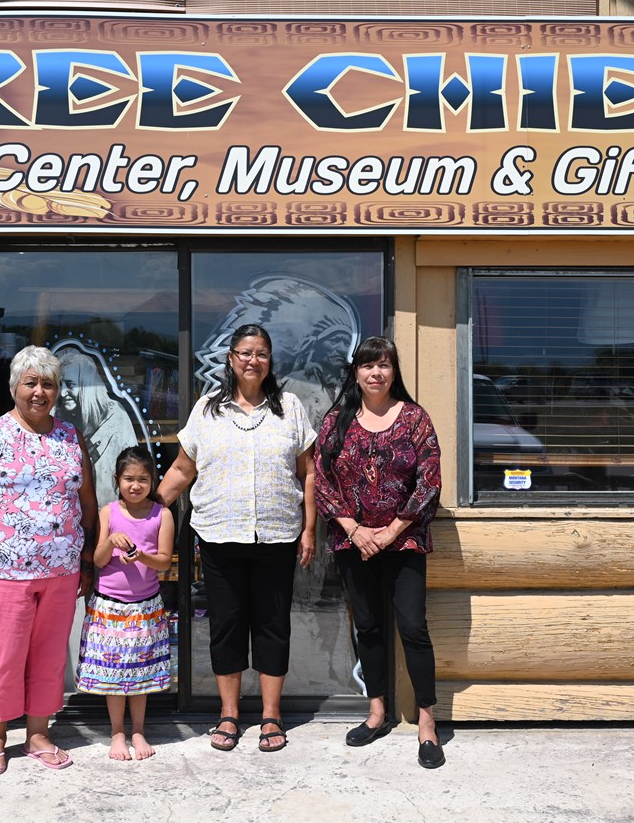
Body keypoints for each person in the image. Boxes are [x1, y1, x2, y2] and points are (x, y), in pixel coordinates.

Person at [157, 323, 316, 753]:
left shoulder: (291, 407)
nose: (252, 360)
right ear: (231, 359)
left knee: (272, 626)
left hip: (277, 537)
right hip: (219, 536)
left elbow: (308, 472)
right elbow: (182, 470)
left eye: (261, 353)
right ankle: (228, 714)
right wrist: (144, 513)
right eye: (245, 352)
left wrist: (310, 528)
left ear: (269, 361)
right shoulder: (208, 409)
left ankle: (270, 715)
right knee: (226, 628)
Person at [0, 345, 98, 776]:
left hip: (61, 571)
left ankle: (38, 734)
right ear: (14, 386)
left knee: (49, 655)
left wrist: (87, 558)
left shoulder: (71, 436)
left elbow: (87, 501)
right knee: (3, 655)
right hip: (6, 571)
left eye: (48, 384)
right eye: (31, 382)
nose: (39, 392)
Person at [312, 336, 445, 769]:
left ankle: (427, 722)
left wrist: (390, 531)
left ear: (394, 371)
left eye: (384, 365)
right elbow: (322, 478)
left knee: (412, 628)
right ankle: (377, 711)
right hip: (354, 545)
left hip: (403, 542)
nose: (376, 373)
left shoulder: (415, 419)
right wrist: (354, 529)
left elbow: (430, 482)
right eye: (368, 366)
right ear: (355, 373)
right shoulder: (336, 421)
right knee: (368, 627)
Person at [76, 445, 175, 761]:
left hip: (145, 607)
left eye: (143, 479)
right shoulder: (109, 512)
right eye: (129, 478)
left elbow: (163, 562)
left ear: (152, 481)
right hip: (110, 608)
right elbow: (99, 560)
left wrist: (141, 555)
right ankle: (117, 732)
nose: (136, 485)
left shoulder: (163, 515)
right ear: (117, 479)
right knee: (114, 674)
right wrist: (110, 541)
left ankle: (138, 730)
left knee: (140, 674)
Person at [55, 344, 140, 506]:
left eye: (70, 384)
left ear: (87, 385)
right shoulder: (56, 417)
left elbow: (133, 470)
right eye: (60, 385)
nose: (63, 392)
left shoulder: (116, 418)